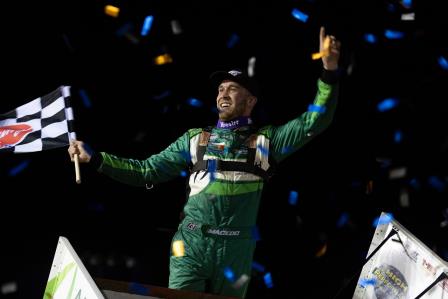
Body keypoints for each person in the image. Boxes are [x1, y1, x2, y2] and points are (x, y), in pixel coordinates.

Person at [68, 26, 341, 298]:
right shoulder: (195, 140)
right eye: (221, 89)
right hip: (190, 244)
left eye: (233, 89)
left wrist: (328, 72)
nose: (223, 94)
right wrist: (96, 158)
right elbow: (146, 171)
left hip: (236, 250)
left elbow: (315, 121)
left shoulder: (266, 142)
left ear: (250, 102)